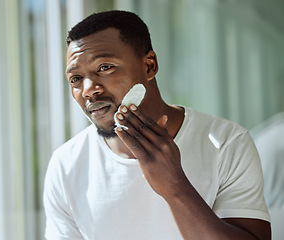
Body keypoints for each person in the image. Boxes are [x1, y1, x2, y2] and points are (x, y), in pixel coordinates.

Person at [43, 10, 271, 240]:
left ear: (149, 66)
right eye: (75, 79)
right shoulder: (66, 164)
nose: (88, 89)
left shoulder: (226, 143)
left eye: (104, 67)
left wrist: (174, 187)